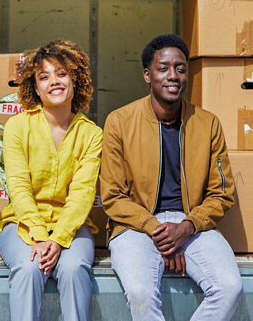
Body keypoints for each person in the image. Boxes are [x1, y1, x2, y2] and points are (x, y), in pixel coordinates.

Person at [99, 34, 243, 320]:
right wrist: (159, 231)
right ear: (147, 74)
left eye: (180, 68)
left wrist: (186, 227)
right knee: (141, 293)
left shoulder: (208, 123)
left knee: (230, 287)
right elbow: (112, 196)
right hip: (135, 225)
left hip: (192, 223)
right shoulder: (119, 121)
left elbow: (221, 194)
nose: (173, 76)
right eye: (163, 68)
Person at [0, 39, 102, 321]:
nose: (54, 82)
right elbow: (18, 186)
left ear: (75, 79)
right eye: (44, 77)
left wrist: (59, 238)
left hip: (71, 227)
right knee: (29, 268)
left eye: (61, 73)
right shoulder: (17, 127)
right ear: (35, 86)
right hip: (22, 224)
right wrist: (40, 236)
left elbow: (82, 194)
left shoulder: (91, 134)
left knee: (74, 268)